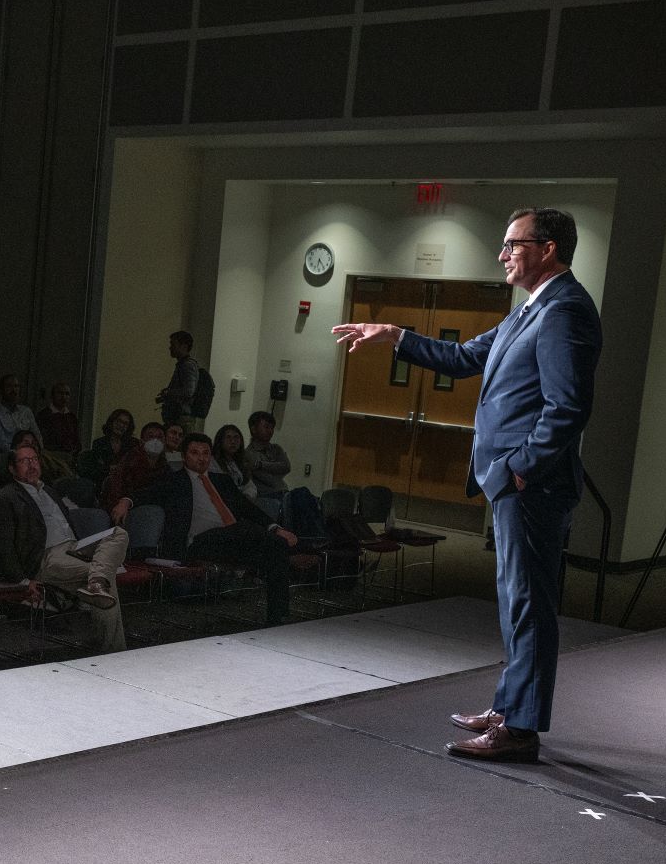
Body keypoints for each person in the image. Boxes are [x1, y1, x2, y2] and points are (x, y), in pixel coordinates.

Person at [333, 206, 600, 763]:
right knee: (516, 603)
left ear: (548, 248)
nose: (503, 254)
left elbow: (566, 408)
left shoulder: (564, 311)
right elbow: (462, 358)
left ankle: (520, 730)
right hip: (517, 484)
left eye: (513, 244)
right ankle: (511, 707)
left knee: (527, 605)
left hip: (531, 487)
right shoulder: (530, 309)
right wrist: (395, 335)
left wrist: (520, 468)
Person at [111, 433, 300, 627]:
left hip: (235, 539)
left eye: (206, 453)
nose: (201, 458)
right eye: (195, 453)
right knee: (247, 530)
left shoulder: (222, 481)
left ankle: (277, 618)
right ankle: (302, 548)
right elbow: (147, 493)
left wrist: (276, 528)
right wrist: (126, 501)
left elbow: (247, 507)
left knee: (276, 544)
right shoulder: (174, 480)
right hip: (199, 543)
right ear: (184, 457)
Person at [0, 443, 130, 652]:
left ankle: (96, 581)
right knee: (105, 575)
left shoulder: (50, 491)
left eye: (35, 459)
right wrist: (22, 580)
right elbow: (3, 544)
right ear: (11, 468)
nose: (31, 464)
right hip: (47, 556)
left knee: (119, 533)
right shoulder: (4, 497)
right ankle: (113, 650)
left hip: (76, 547)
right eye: (24, 461)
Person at [156, 330, 201, 435]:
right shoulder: (183, 364)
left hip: (181, 419)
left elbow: (189, 391)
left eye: (173, 344)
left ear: (184, 346)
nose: (170, 347)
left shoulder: (187, 365)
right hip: (180, 417)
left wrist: (169, 393)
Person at [77, 407, 137, 485]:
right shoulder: (99, 443)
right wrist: (109, 469)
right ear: (112, 421)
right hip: (103, 482)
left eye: (125, 424)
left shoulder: (133, 444)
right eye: (119, 421)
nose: (121, 425)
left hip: (125, 482)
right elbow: (95, 468)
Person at [0, 374, 40, 453]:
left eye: (16, 386)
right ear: (1, 390)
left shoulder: (26, 411)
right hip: (9, 457)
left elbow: (37, 435)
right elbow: (2, 444)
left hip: (32, 454)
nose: (14, 390)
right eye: (9, 386)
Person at [37, 382, 80, 454]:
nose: (64, 397)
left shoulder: (72, 417)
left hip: (70, 456)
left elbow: (76, 439)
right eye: (60, 393)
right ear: (52, 396)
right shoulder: (43, 416)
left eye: (67, 394)